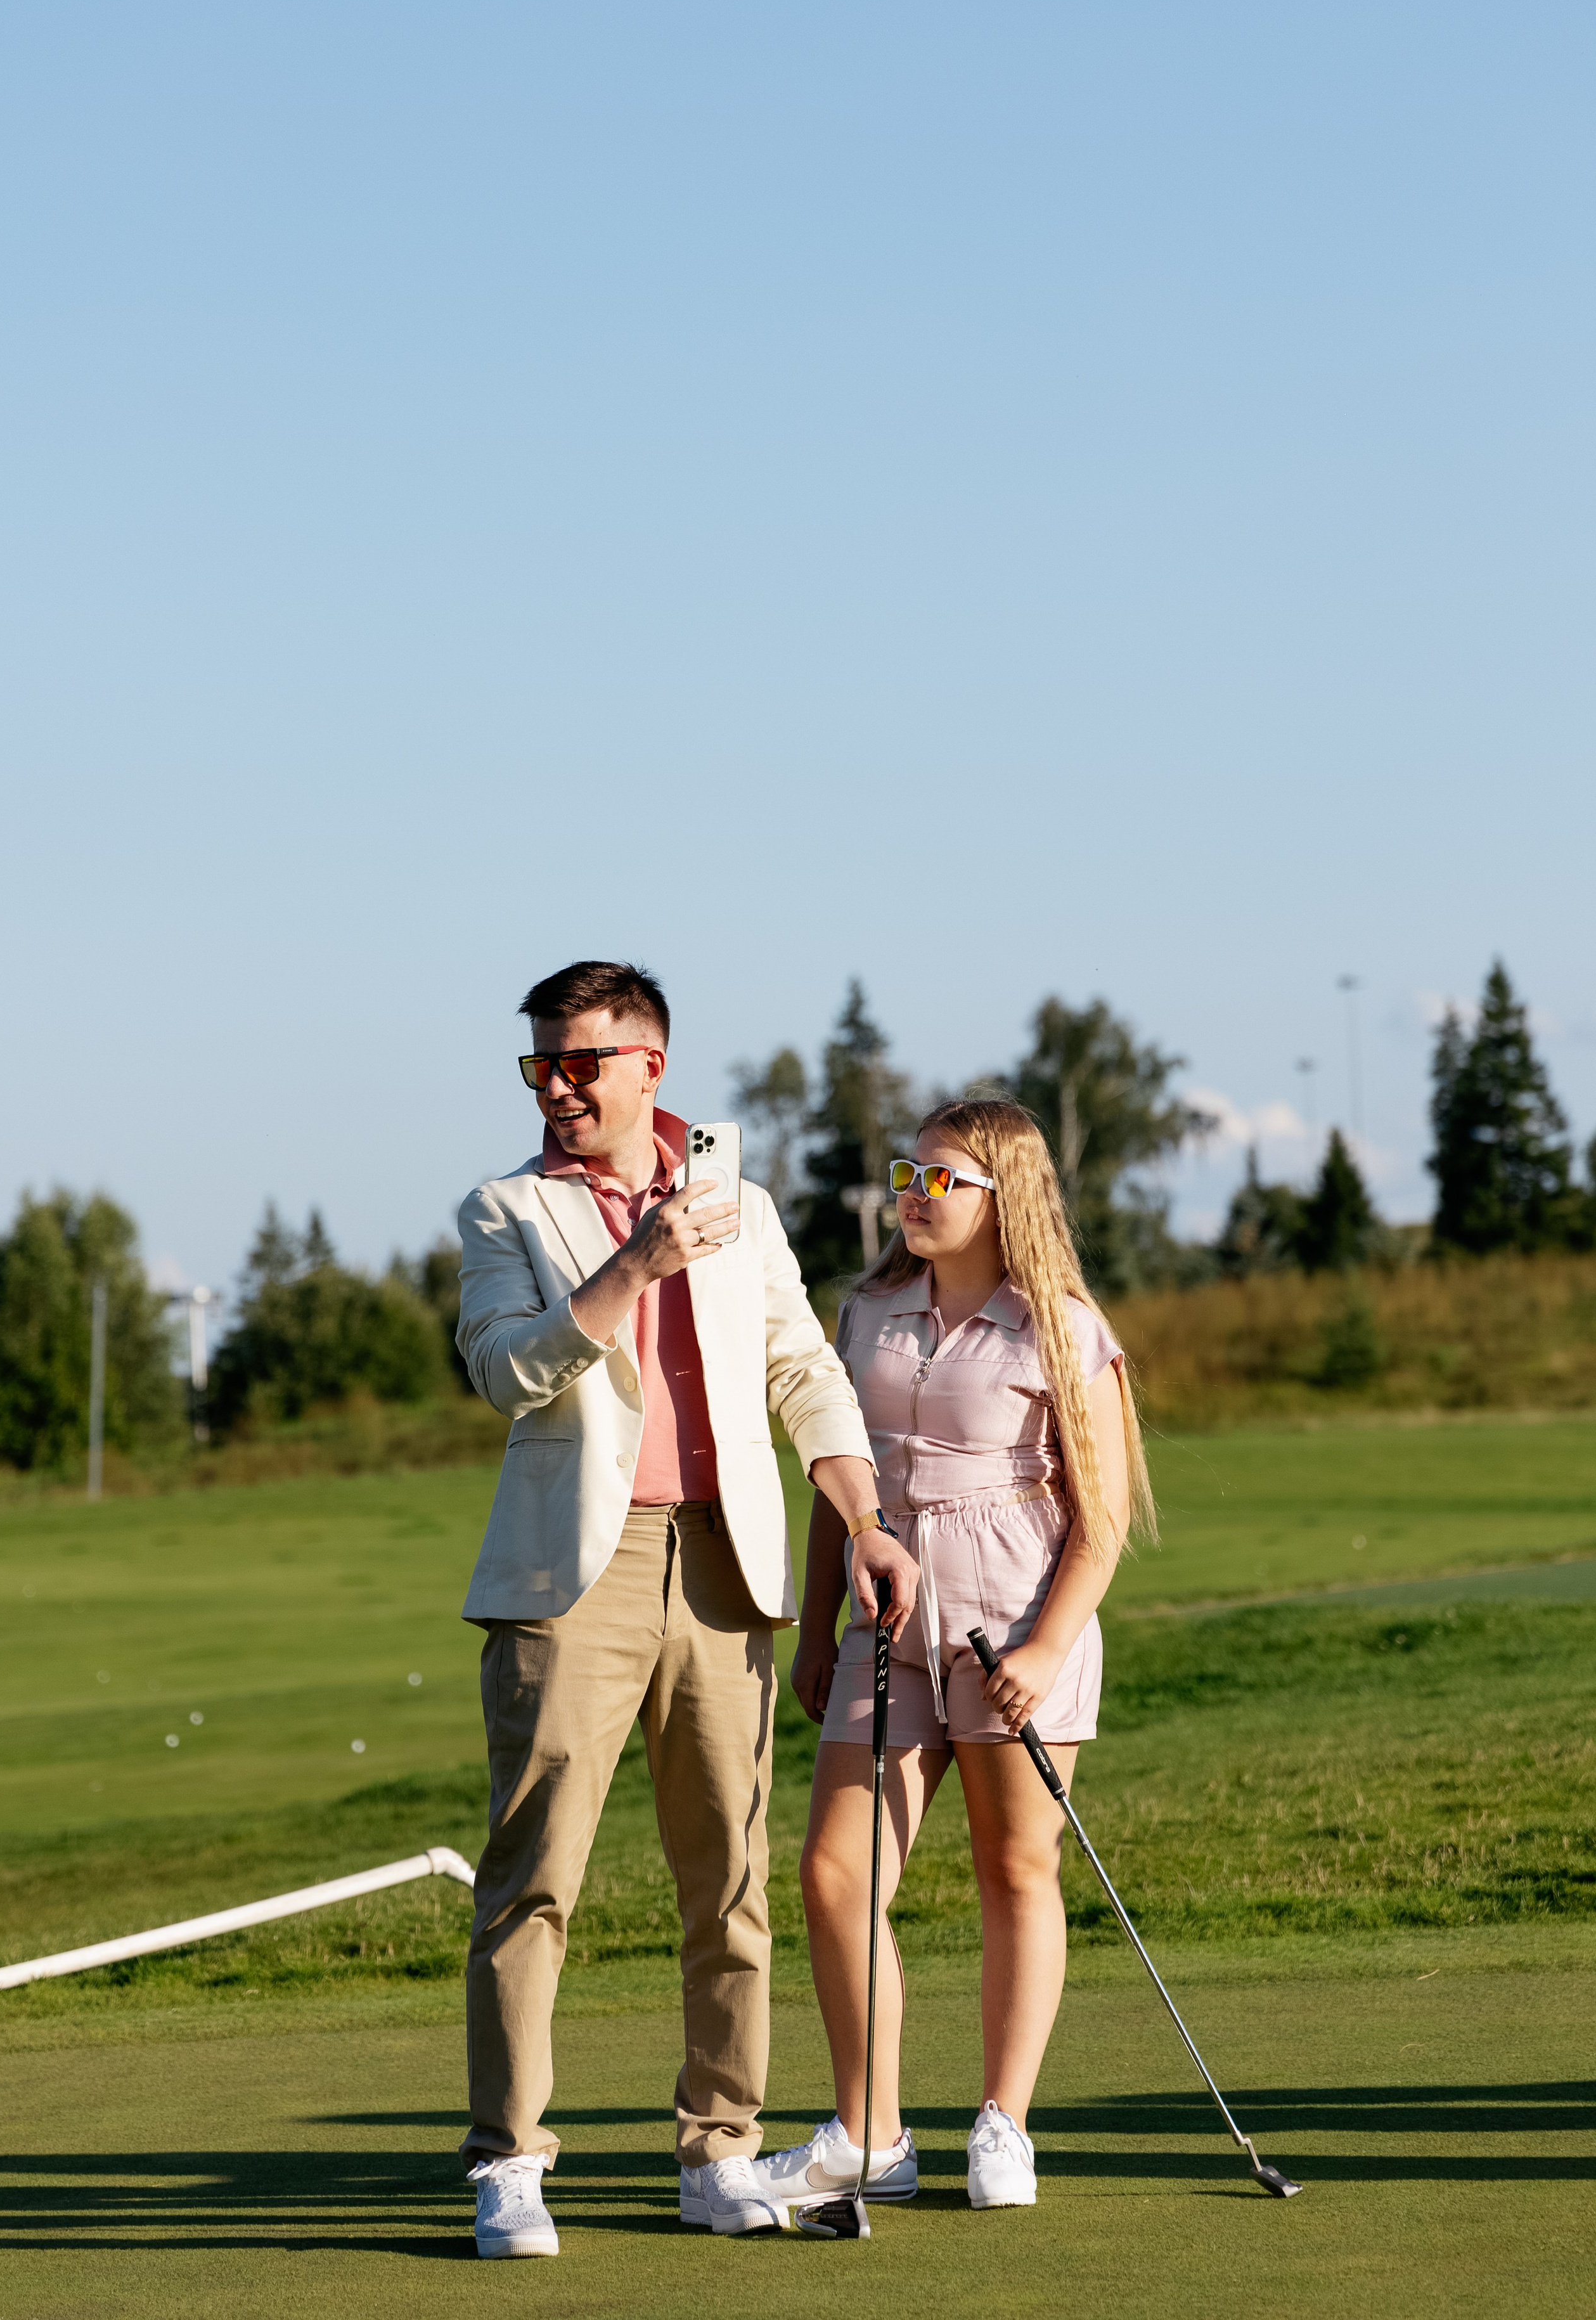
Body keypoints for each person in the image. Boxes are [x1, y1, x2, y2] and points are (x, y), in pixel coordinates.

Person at [453, 959, 918, 2257]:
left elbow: (800, 1369)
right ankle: (510, 2165)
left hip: (724, 1572)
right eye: (540, 1063)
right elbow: (506, 1374)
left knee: (728, 1883)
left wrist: (867, 1520)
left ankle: (718, 2151)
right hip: (570, 1583)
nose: (557, 1086)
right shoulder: (504, 1210)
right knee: (532, 1882)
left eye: (580, 1062)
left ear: (648, 1065)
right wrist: (630, 1269)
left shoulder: (734, 1203)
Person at [763, 1097, 1155, 2215]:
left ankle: (1004, 2125)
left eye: (943, 1180)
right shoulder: (869, 1310)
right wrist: (818, 1617)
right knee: (838, 1875)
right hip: (884, 1628)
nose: (914, 1196)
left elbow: (1103, 1518)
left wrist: (1048, 1644)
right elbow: (840, 1478)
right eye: (907, 1174)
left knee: (1015, 1870)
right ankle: (873, 2133)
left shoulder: (1064, 1328)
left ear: (1005, 1197)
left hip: (1012, 1623)